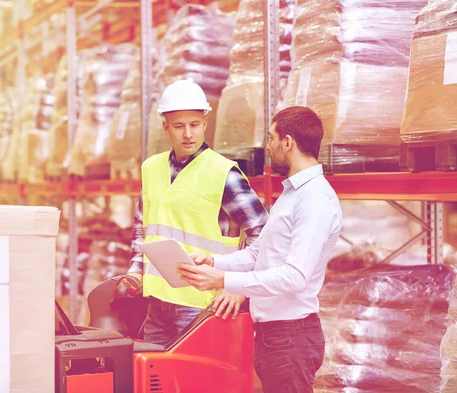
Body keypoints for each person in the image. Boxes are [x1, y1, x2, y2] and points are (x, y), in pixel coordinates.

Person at [177, 106, 342, 392]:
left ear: (287, 142)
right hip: (274, 335)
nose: (268, 146)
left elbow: (295, 276)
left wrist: (224, 281)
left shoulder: (315, 199)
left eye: (271, 138)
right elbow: (259, 254)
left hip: (291, 336)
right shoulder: (292, 195)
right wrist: (213, 262)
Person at [118, 79, 269, 346]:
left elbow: (266, 236)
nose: (188, 134)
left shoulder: (223, 173)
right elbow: (142, 226)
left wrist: (239, 286)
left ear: (205, 123)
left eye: (195, 125)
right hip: (157, 301)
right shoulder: (151, 169)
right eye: (179, 126)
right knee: (157, 384)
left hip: (202, 305)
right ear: (165, 127)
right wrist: (135, 272)